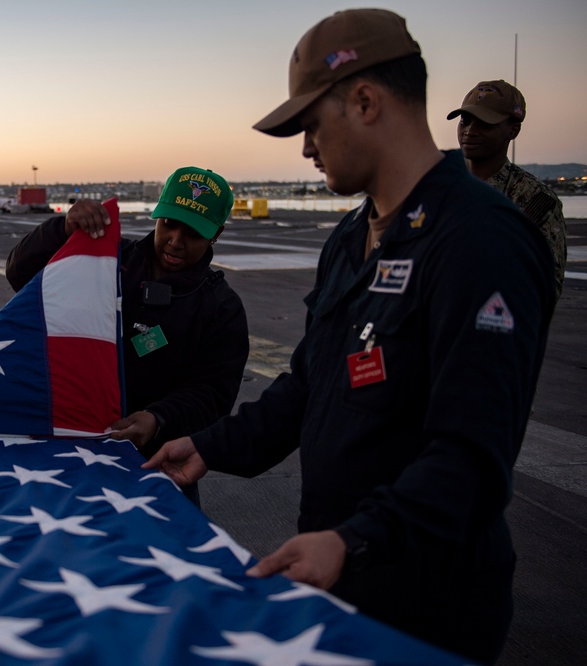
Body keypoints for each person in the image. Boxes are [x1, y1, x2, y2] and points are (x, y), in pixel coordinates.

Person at [143, 10, 554, 664]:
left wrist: (355, 540)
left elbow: (473, 457)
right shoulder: (349, 240)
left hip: (427, 600)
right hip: (345, 572)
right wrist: (206, 446)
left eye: (311, 124)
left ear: (365, 101)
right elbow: (312, 383)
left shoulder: (482, 243)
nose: (305, 148)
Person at [6, 167, 249, 504]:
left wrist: (159, 418)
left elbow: (213, 393)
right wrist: (62, 230)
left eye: (193, 233)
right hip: (70, 443)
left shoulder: (221, 307)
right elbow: (20, 274)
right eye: (169, 224)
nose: (176, 242)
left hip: (155, 460)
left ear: (216, 234)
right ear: (157, 215)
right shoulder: (106, 260)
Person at [448, 79, 567, 302]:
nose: (470, 131)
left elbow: (546, 287)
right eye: (465, 120)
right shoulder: (437, 186)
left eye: (484, 124)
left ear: (513, 130)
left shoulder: (534, 200)